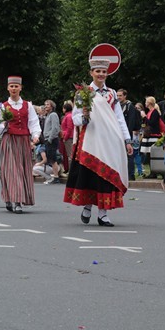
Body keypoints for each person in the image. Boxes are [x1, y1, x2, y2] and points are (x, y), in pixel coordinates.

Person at [64, 59, 132, 227]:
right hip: (91, 139)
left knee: (107, 176)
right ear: (91, 73)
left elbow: (119, 118)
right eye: (97, 71)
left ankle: (103, 213)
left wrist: (127, 139)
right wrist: (84, 116)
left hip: (109, 140)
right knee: (91, 175)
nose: (101, 74)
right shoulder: (83, 93)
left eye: (103, 71)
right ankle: (87, 206)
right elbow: (75, 117)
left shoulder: (112, 93)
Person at [0, 76, 41, 214]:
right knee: (12, 170)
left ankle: (14, 198)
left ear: (20, 88)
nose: (14, 89)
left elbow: (33, 122)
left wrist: (35, 135)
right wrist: (4, 126)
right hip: (9, 140)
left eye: (16, 86)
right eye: (11, 86)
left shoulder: (28, 105)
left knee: (23, 170)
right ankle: (15, 200)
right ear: (8, 88)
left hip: (24, 140)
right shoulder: (3, 107)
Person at [117, 89, 141, 180]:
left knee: (129, 154)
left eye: (120, 95)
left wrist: (127, 135)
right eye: (118, 95)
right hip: (119, 133)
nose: (119, 97)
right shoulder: (118, 105)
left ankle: (131, 174)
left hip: (126, 134)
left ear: (125, 96)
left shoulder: (129, 106)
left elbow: (131, 122)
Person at [42, 99, 62, 184]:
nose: (46, 106)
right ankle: (55, 175)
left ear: (52, 106)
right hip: (47, 139)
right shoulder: (48, 116)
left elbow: (55, 128)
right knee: (50, 158)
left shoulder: (53, 115)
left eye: (48, 104)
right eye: (45, 104)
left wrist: (50, 139)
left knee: (53, 158)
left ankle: (56, 176)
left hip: (52, 140)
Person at [60, 102, 74, 172]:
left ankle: (71, 171)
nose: (62, 109)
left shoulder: (68, 116)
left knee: (70, 155)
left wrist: (65, 138)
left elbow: (69, 128)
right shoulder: (69, 116)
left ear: (65, 109)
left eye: (63, 108)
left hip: (69, 137)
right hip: (69, 136)